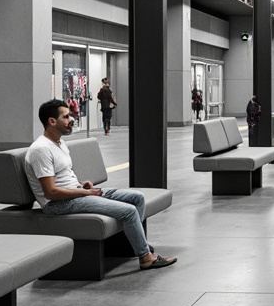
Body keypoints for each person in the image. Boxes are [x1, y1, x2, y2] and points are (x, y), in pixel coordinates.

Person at [26, 99, 176, 270]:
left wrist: (81, 185)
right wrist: (85, 193)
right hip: (57, 204)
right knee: (129, 211)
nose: (71, 120)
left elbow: (63, 175)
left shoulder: (59, 143)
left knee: (137, 198)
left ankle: (133, 244)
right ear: (52, 121)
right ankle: (146, 257)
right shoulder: (41, 149)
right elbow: (50, 192)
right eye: (66, 117)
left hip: (74, 193)